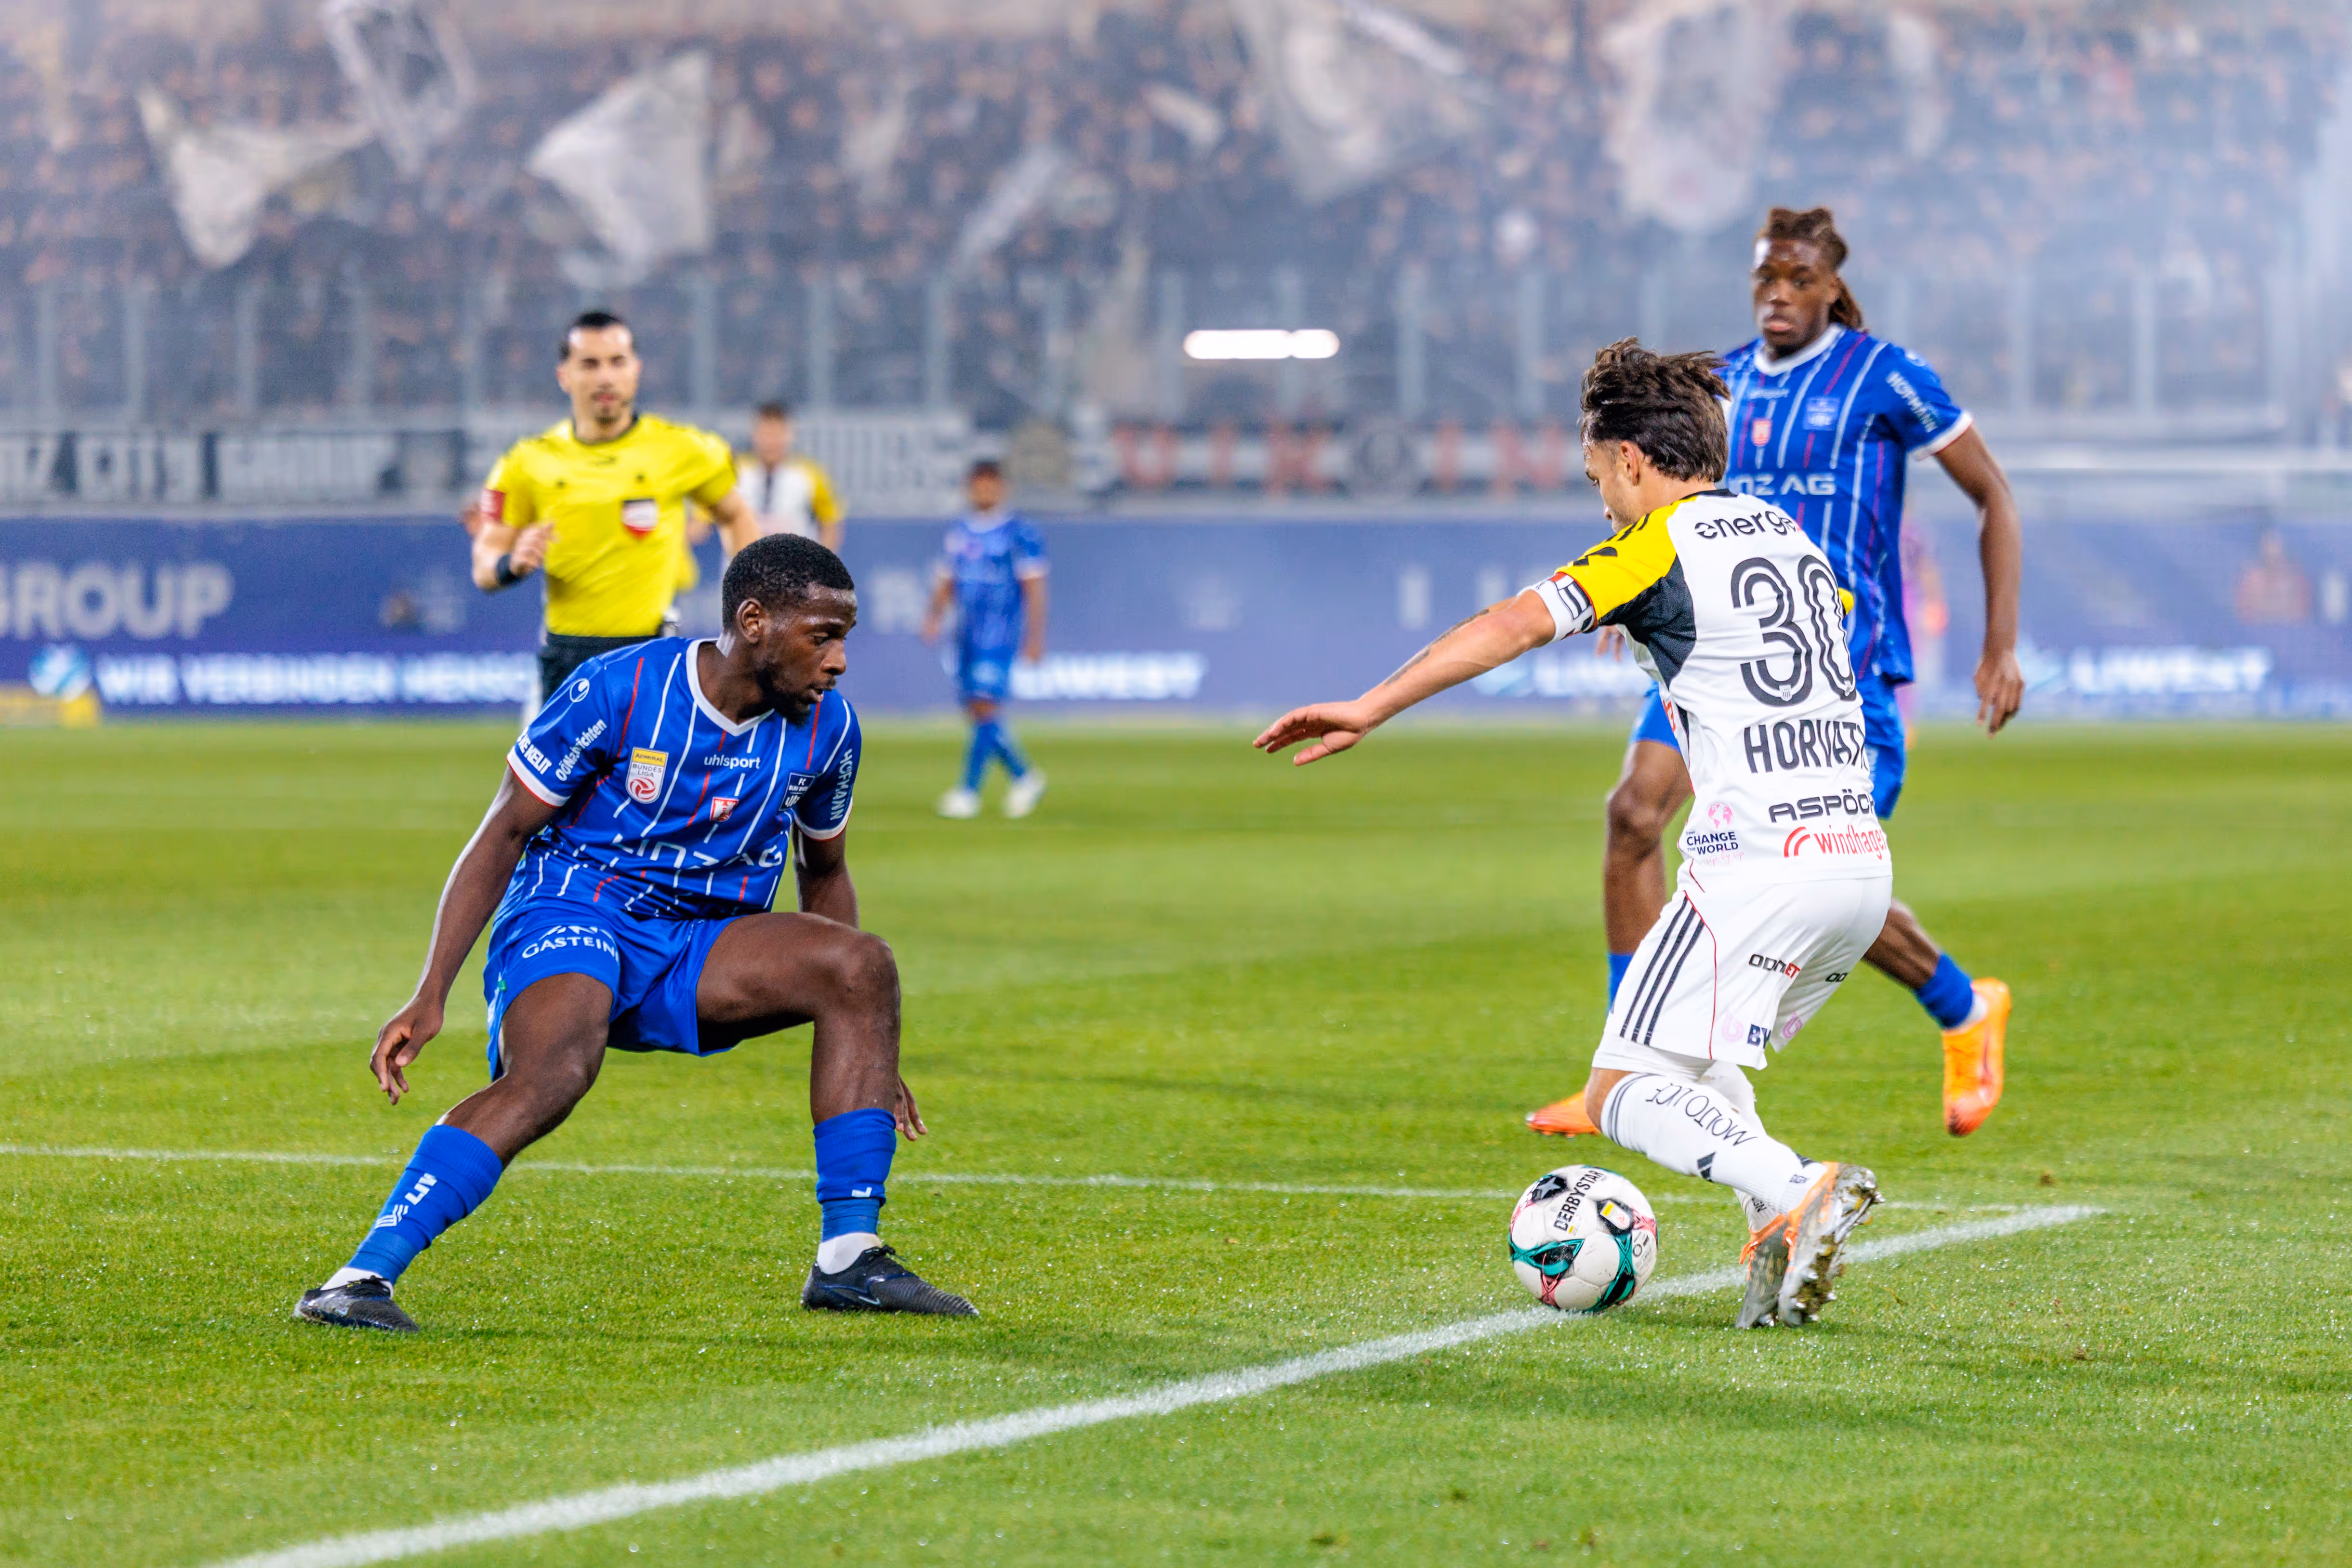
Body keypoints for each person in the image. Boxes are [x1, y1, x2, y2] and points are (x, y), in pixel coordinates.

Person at [1258, 341, 1888, 1329]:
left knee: (1622, 1088)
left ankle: (1797, 1181)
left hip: (1755, 867)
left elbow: (1512, 624)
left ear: (1634, 460)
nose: (1600, 501)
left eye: (1598, 477)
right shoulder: (1789, 539)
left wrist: (1372, 704)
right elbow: (1786, 633)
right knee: (1696, 1057)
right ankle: (1776, 1227)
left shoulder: (1656, 545)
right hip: (1856, 866)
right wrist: (1650, 621)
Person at [295, 534, 977, 1332]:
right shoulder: (618, 690)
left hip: (699, 943)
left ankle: (849, 1262)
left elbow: (823, 873)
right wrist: (430, 993)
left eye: (844, 640)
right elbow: (502, 834)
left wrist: (867, 1037)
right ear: (753, 621)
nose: (838, 662)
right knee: (556, 1072)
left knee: (864, 967)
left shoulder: (831, 732)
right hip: (574, 911)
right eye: (822, 637)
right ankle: (360, 1277)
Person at [1529, 207, 2024, 1143]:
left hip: (1839, 672)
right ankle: (1618, 1071)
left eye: (1798, 280)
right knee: (1632, 814)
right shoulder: (1720, 384)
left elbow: (1991, 493)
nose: (1778, 297)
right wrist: (1631, 592)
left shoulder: (1885, 376)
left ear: (1831, 286)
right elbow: (1670, 499)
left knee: (1812, 870)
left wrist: (1997, 645)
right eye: (1765, 279)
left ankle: (1964, 1007)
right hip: (1717, 654)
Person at [470, 310, 762, 702]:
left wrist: (751, 602)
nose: (605, 377)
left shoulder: (681, 450)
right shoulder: (527, 462)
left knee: (648, 766)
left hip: (653, 657)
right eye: (589, 364)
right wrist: (511, 564)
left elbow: (736, 515)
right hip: (567, 658)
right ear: (564, 376)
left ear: (636, 370)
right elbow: (484, 561)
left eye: (617, 362)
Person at [920, 459, 1049, 820]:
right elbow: (947, 579)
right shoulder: (960, 531)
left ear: (1002, 488)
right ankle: (1025, 776)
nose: (985, 491)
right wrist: (934, 616)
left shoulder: (1019, 532)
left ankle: (969, 791)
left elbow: (1035, 587)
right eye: (979, 484)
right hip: (967, 632)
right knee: (977, 711)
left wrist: (1036, 636)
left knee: (986, 705)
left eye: (991, 484)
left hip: (1000, 631)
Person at [731, 401, 845, 553]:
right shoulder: (734, 471)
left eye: (776, 435)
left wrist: (822, 564)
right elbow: (703, 520)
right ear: (754, 434)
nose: (770, 442)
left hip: (793, 573)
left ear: (789, 435)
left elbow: (831, 523)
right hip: (740, 573)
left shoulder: (809, 474)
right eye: (765, 434)